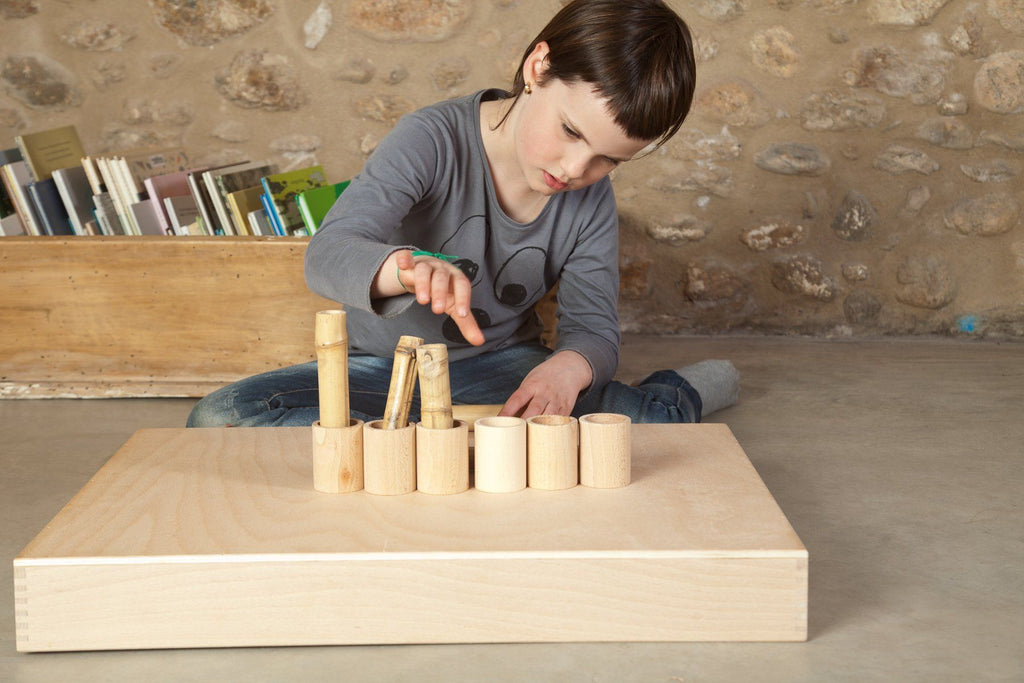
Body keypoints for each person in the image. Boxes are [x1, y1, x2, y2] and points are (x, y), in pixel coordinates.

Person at [187, 0, 739, 429]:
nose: (575, 169)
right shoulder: (430, 139)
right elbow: (327, 254)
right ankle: (430, 436)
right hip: (382, 370)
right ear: (539, 67)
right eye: (571, 131)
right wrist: (406, 268)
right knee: (218, 418)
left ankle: (673, 396)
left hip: (501, 368)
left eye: (608, 160)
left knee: (637, 423)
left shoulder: (591, 200)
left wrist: (566, 369)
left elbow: (592, 329)